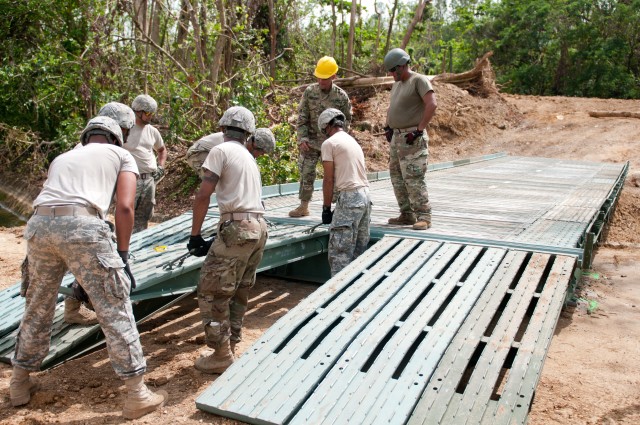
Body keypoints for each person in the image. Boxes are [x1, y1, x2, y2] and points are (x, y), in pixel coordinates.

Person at [10, 116, 167, 419]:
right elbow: (124, 206)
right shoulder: (122, 155)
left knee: (38, 305)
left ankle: (19, 382)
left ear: (86, 137)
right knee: (113, 306)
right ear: (115, 139)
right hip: (82, 225)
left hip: (39, 226)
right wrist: (122, 254)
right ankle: (137, 394)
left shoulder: (62, 157)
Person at [187, 107, 275, 374]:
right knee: (239, 289)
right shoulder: (250, 159)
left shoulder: (220, 151)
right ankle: (232, 343)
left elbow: (203, 195)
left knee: (212, 290)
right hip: (259, 228)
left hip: (238, 227)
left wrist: (195, 236)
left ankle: (221, 354)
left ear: (223, 128)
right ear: (248, 134)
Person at [64, 102, 137, 326]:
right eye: (125, 131)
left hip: (54, 219)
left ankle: (71, 309)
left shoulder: (79, 149)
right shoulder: (112, 153)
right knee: (104, 267)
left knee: (74, 264)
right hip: (85, 219)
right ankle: (108, 312)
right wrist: (123, 255)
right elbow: (124, 205)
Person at [289, 56, 353, 217]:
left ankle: (338, 206)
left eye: (325, 78)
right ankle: (303, 206)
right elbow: (302, 117)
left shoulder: (341, 96)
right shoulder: (310, 92)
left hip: (332, 144)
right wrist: (302, 139)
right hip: (310, 142)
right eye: (319, 77)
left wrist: (339, 142)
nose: (321, 81)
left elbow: (347, 121)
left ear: (333, 77)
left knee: (336, 176)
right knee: (306, 172)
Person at [383, 47, 437, 230]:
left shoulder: (419, 80)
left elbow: (431, 104)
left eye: (392, 70)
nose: (391, 73)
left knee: (413, 176)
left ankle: (424, 216)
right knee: (397, 176)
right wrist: (388, 126)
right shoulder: (397, 84)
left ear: (402, 66)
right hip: (397, 138)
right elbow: (393, 107)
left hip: (412, 138)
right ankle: (407, 214)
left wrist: (420, 129)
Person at [318, 108, 371, 276]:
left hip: (350, 197)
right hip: (365, 197)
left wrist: (326, 208)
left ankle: (337, 297)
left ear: (327, 125)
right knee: (359, 252)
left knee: (339, 252)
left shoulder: (329, 144)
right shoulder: (352, 141)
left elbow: (328, 180)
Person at [125, 94, 167, 232]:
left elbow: (162, 150)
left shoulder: (152, 131)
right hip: (130, 179)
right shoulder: (125, 130)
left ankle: (139, 244)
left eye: (152, 113)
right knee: (126, 212)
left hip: (149, 180)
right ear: (138, 111)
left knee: (144, 216)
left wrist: (161, 166)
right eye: (148, 113)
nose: (150, 117)